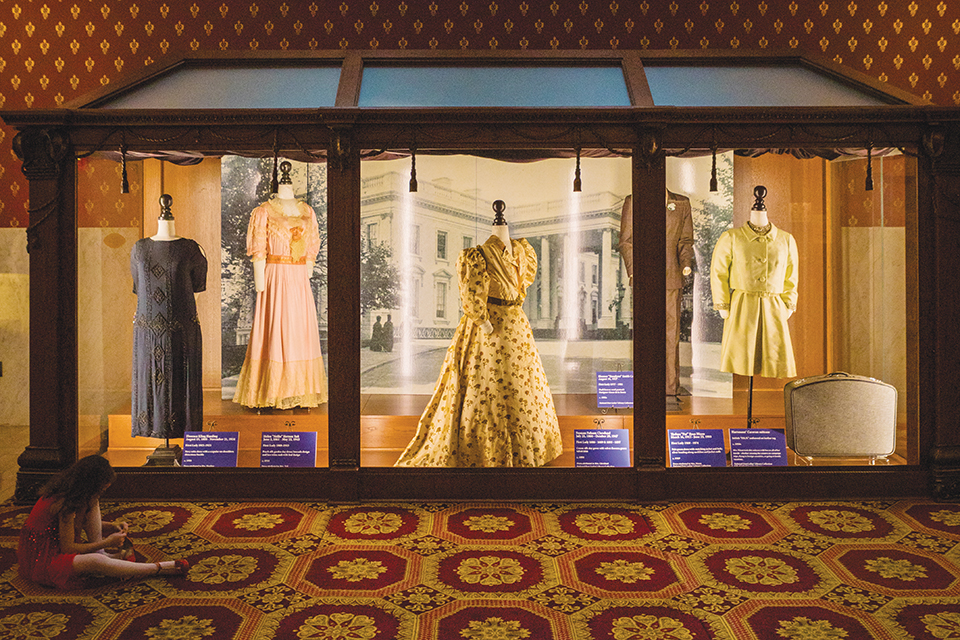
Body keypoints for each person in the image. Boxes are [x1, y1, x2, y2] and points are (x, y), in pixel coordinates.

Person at [395, 200, 563, 467]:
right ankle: (485, 450)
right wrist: (482, 321)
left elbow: (519, 285)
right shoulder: (477, 255)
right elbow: (472, 296)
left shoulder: (523, 251)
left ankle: (526, 449)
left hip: (516, 327)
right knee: (486, 387)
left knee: (522, 387)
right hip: (488, 328)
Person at [234, 161, 328, 409]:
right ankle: (271, 391)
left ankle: (299, 390)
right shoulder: (264, 210)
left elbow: (311, 247)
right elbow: (258, 249)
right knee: (276, 328)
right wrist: (259, 281)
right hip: (274, 275)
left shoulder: (307, 211)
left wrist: (307, 270)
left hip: (298, 278)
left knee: (299, 330)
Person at [18, 455, 188, 589]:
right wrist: (108, 541)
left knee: (93, 502)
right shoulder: (64, 503)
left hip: (57, 543)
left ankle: (101, 552)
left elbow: (79, 524)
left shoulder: (77, 493)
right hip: (45, 558)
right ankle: (157, 568)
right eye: (99, 489)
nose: (101, 493)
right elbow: (67, 548)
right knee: (96, 563)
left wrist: (112, 526)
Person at [130, 194, 207, 438]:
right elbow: (138, 286)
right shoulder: (139, 249)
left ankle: (182, 431)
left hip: (181, 332)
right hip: (147, 332)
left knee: (180, 383)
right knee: (149, 381)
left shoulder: (191, 249)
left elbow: (197, 285)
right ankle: (149, 429)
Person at [710, 185, 798, 378]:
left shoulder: (786, 240)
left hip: (774, 307)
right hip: (742, 305)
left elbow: (791, 276)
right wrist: (723, 303)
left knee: (773, 354)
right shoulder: (731, 238)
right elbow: (718, 272)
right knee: (742, 353)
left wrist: (789, 304)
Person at [618, 191, 694, 400]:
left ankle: (670, 388)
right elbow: (626, 241)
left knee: (671, 334)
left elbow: (685, 240)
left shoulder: (681, 203)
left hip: (672, 276)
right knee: (646, 335)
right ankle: (645, 387)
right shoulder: (633, 201)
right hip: (644, 279)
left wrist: (685, 264)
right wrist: (634, 272)